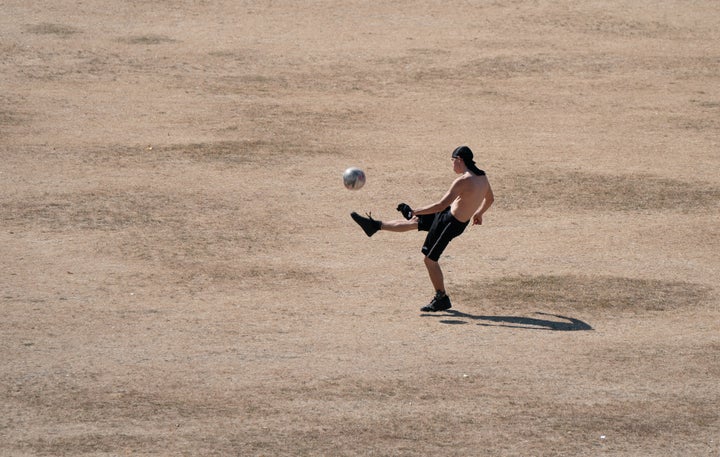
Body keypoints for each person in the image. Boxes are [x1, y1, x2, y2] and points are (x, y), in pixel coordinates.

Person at [350, 145, 494, 312]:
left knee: (430, 260)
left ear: (460, 160)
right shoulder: (482, 177)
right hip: (450, 216)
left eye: (453, 161)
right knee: (415, 222)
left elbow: (440, 205)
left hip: (449, 224)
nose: (452, 164)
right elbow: (490, 198)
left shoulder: (463, 181)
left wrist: (414, 210)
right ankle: (374, 226)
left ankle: (442, 297)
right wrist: (479, 213)